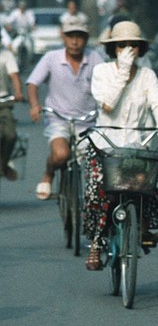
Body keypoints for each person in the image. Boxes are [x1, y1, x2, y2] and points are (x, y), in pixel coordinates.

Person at [83, 20, 158, 271]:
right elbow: (107, 105)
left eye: (132, 46)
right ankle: (96, 244)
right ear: (114, 49)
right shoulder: (102, 73)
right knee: (98, 192)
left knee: (147, 186)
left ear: (139, 49)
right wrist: (123, 74)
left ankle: (142, 226)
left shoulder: (147, 75)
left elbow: (157, 101)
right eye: (122, 45)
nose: (127, 50)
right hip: (106, 143)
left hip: (136, 143)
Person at [27, 16, 104, 200]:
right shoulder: (51, 57)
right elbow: (32, 83)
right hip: (58, 118)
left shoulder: (95, 58)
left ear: (86, 39)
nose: (75, 41)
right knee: (61, 154)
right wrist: (35, 105)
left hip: (88, 121)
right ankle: (48, 174)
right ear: (63, 37)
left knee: (98, 164)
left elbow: (107, 83)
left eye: (79, 36)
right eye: (71, 36)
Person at [0, 41, 23, 180]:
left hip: (3, 102)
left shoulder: (6, 55)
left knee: (10, 135)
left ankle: (3, 164)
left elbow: (14, 75)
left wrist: (18, 92)